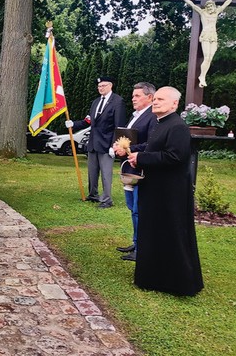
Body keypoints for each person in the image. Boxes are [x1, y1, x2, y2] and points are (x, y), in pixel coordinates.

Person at [128, 86, 204, 296]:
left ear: (174, 104)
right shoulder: (161, 124)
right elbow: (154, 148)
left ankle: (175, 282)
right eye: (155, 99)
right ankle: (153, 277)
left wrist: (141, 159)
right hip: (156, 189)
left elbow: (175, 157)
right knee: (154, 232)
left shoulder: (177, 127)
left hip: (170, 193)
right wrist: (135, 151)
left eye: (161, 99)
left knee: (171, 233)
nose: (156, 102)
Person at [112, 82, 157, 261]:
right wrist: (118, 146)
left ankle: (141, 248)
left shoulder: (152, 116)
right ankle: (136, 241)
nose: (133, 98)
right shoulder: (135, 115)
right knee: (132, 207)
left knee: (139, 209)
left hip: (141, 169)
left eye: (137, 96)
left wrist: (128, 149)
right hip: (129, 168)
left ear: (150, 97)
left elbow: (152, 144)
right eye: (133, 95)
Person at [66, 76, 126, 208]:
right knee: (92, 172)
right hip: (93, 142)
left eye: (103, 85)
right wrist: (73, 124)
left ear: (110, 85)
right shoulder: (96, 102)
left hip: (107, 144)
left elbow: (119, 125)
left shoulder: (117, 101)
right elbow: (88, 121)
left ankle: (107, 200)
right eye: (99, 86)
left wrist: (114, 145)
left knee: (106, 173)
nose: (100, 88)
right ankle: (93, 194)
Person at [179, 0, 236, 88]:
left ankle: (203, 76)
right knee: (206, 57)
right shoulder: (203, 12)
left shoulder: (216, 12)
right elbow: (192, 5)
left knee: (210, 58)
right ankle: (202, 77)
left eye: (211, 6)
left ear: (214, 6)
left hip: (213, 36)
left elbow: (225, 4)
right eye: (208, 6)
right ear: (206, 7)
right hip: (205, 36)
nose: (210, 8)